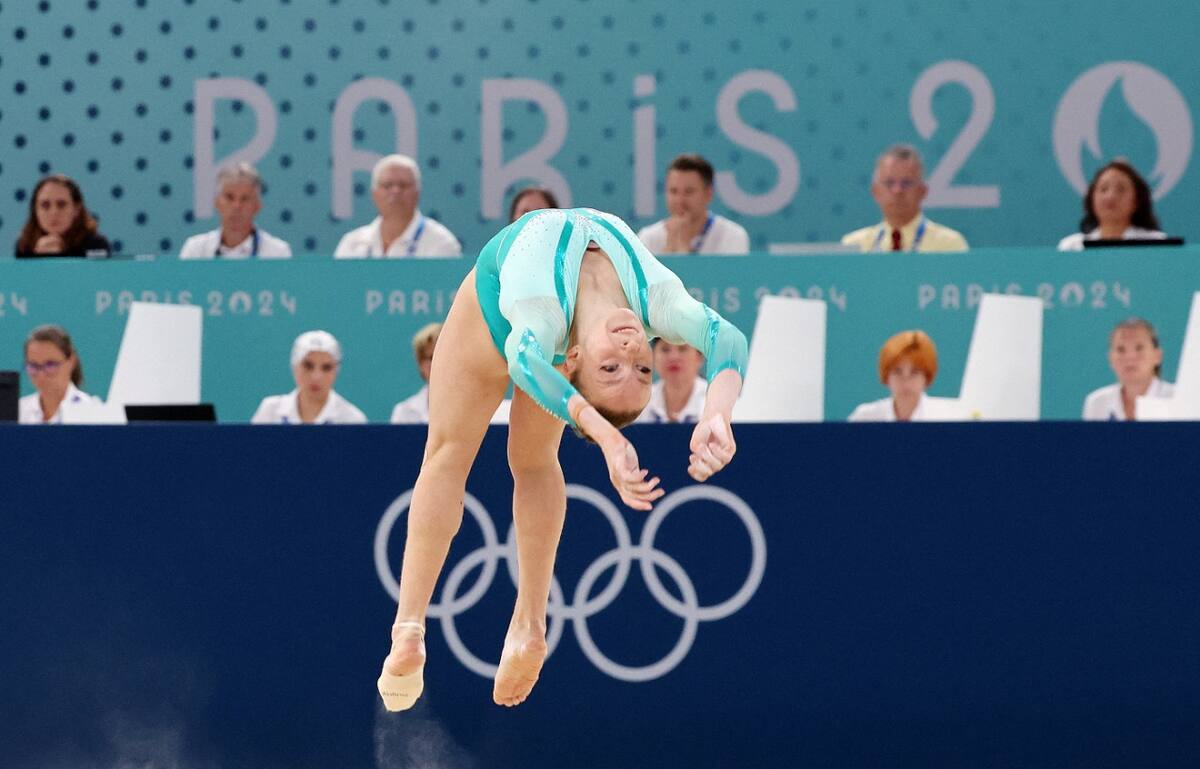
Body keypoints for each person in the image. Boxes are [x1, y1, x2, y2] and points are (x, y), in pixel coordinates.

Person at [376, 207, 746, 712]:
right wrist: (718, 413)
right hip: (533, 345)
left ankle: (413, 628)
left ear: (572, 361)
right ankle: (520, 624)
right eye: (641, 367)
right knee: (531, 460)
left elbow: (525, 357)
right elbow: (727, 337)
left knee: (448, 453)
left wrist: (605, 434)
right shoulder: (659, 305)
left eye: (610, 366)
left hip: (495, 321)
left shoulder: (543, 308)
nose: (631, 347)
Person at [841, 145, 968, 253]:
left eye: (906, 183)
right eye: (889, 183)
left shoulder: (949, 245)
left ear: (923, 191)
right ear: (875, 191)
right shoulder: (855, 247)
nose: (897, 191)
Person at [334, 154, 462, 258]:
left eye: (403, 185)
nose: (396, 191)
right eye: (387, 185)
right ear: (374, 194)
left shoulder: (441, 244)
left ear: (417, 192)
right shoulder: (351, 245)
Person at [636, 154, 750, 254]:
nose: (680, 200)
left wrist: (684, 249)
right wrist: (669, 249)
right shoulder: (647, 238)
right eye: (673, 191)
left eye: (689, 192)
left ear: (708, 194)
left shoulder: (733, 236)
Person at [179, 163, 292, 259]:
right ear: (216, 203)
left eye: (245, 198)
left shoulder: (278, 253)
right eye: (229, 197)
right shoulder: (195, 250)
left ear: (257, 206)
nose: (237, 206)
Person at [251, 331, 367, 424]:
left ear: (336, 371)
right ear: (294, 367)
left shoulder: (352, 420)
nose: (316, 376)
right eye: (308, 366)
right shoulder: (270, 412)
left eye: (326, 368)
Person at [848, 330, 964, 421]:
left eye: (915, 372)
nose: (906, 381)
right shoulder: (865, 418)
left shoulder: (945, 418)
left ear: (927, 377)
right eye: (897, 372)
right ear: (886, 376)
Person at [1057, 160, 1166, 251]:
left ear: (1136, 201)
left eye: (1121, 189)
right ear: (1091, 198)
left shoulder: (1157, 244)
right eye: (1103, 189)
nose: (1110, 196)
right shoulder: (1071, 247)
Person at [1082, 318, 1174, 420]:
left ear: (1157, 356)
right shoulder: (1097, 403)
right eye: (1121, 349)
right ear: (1110, 357)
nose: (1130, 357)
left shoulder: (1176, 398)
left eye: (1139, 348)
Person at [19, 324, 102, 424]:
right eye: (33, 366)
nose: (41, 375)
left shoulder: (92, 412)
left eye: (50, 365)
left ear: (71, 361)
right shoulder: (17, 413)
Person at [14, 175, 111, 258]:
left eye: (61, 205)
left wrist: (59, 257)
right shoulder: (24, 245)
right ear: (35, 210)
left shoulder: (96, 245)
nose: (53, 213)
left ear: (76, 209)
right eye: (45, 205)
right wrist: (38, 259)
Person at [635, 341, 707, 423]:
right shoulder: (640, 402)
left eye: (682, 349)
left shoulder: (713, 399)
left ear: (700, 357)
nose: (673, 357)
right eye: (665, 349)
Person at [390, 322, 442, 424]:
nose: (438, 363)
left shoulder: (473, 409)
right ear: (420, 363)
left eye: (442, 356)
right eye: (431, 357)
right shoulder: (403, 412)